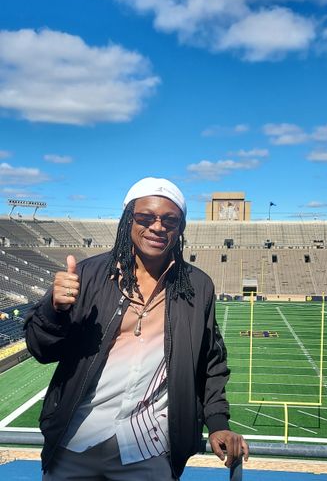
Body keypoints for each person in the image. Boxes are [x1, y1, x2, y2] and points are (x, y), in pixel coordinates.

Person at [25, 177, 249, 480]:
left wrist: (218, 421)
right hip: (76, 440)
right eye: (145, 217)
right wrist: (54, 310)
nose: (158, 227)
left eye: (170, 220)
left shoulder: (197, 286)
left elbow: (210, 361)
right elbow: (41, 349)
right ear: (127, 220)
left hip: (150, 446)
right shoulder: (89, 274)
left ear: (180, 228)